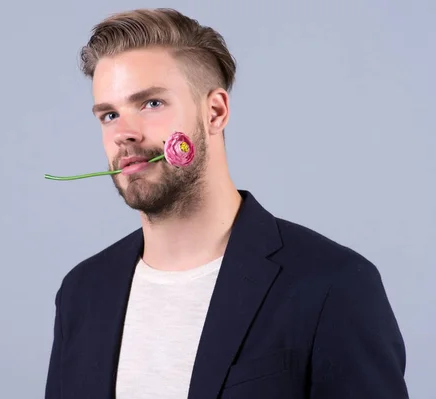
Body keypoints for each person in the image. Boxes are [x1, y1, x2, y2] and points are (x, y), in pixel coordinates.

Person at [44, 8, 409, 399]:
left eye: (151, 103)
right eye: (110, 114)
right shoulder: (82, 292)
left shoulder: (333, 284)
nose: (123, 134)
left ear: (215, 112)